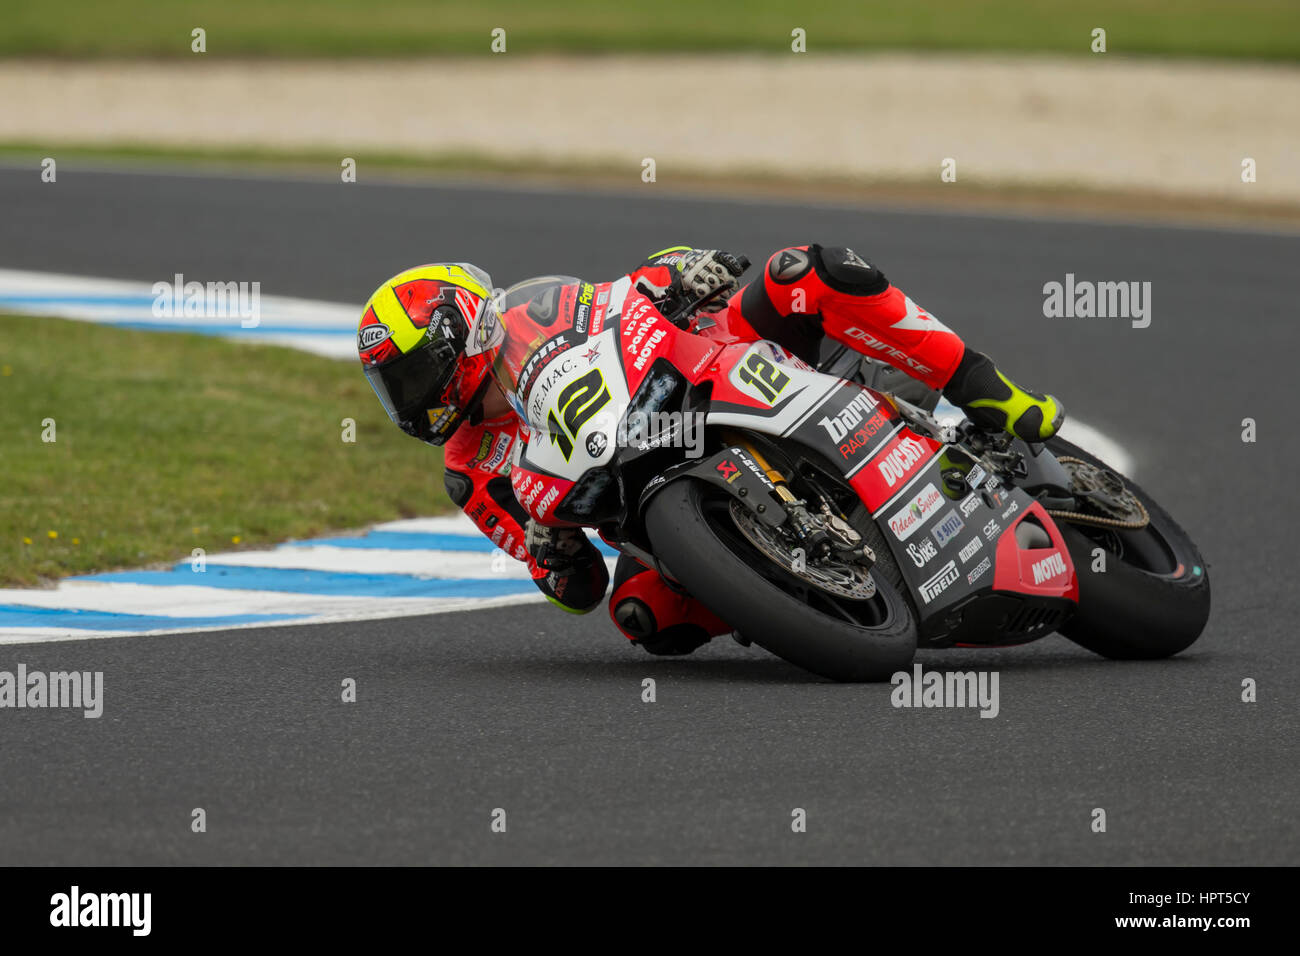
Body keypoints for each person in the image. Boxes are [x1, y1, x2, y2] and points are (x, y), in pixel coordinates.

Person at [357, 246, 1063, 655]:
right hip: (641, 489)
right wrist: (552, 551)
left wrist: (686, 271)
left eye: (414, 372)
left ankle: (989, 390)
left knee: (803, 271)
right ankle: (799, 584)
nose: (412, 398)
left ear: (463, 335)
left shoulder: (531, 312)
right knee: (642, 615)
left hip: (711, 368)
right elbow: (576, 592)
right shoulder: (468, 469)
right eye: (396, 387)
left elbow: (623, 291)